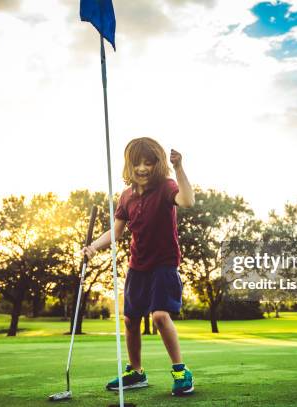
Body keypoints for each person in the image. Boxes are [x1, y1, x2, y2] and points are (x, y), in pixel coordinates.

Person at [82, 137, 195, 396]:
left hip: (164, 265)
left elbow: (187, 201)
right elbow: (116, 231)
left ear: (158, 165)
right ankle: (136, 372)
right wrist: (93, 247)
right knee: (131, 320)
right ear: (129, 166)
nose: (142, 168)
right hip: (137, 266)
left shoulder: (167, 187)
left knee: (159, 316)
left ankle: (180, 371)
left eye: (149, 163)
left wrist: (179, 169)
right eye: (137, 164)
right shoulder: (126, 197)